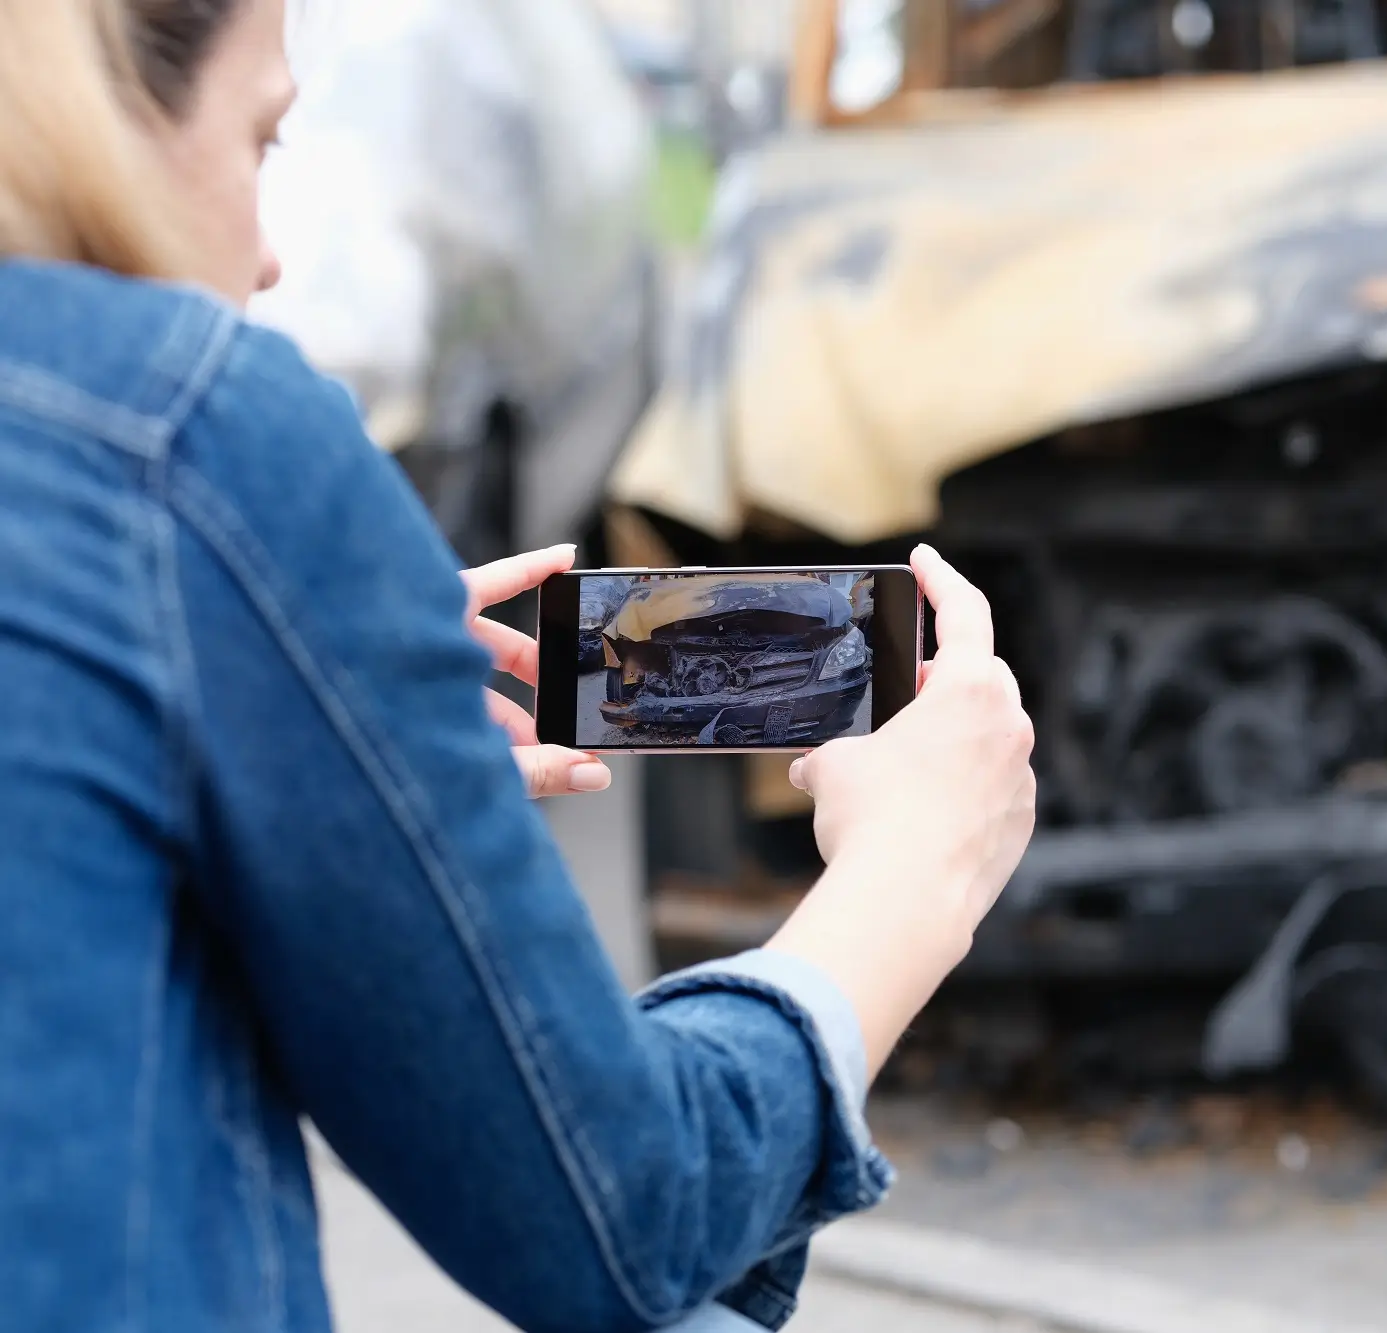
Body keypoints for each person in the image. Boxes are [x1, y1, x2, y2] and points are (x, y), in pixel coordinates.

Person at [0, 2, 1037, 1330]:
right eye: (263, 143)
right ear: (96, 126)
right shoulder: (188, 442)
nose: (266, 262)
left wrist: (249, 681)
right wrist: (914, 873)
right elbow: (628, 1213)